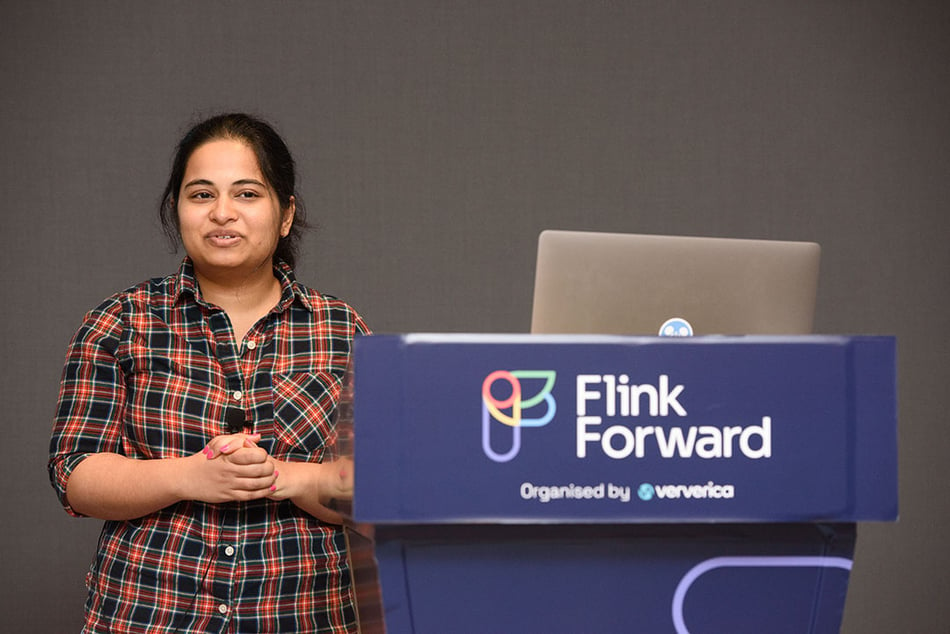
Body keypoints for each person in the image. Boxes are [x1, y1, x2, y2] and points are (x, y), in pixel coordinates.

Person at [48, 113, 370, 633]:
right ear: (178, 211)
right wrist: (190, 476)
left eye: (247, 194)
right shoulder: (120, 320)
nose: (223, 213)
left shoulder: (340, 327)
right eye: (201, 195)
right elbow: (75, 474)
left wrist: (288, 476)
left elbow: (382, 489)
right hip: (149, 615)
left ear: (285, 214)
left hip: (306, 617)